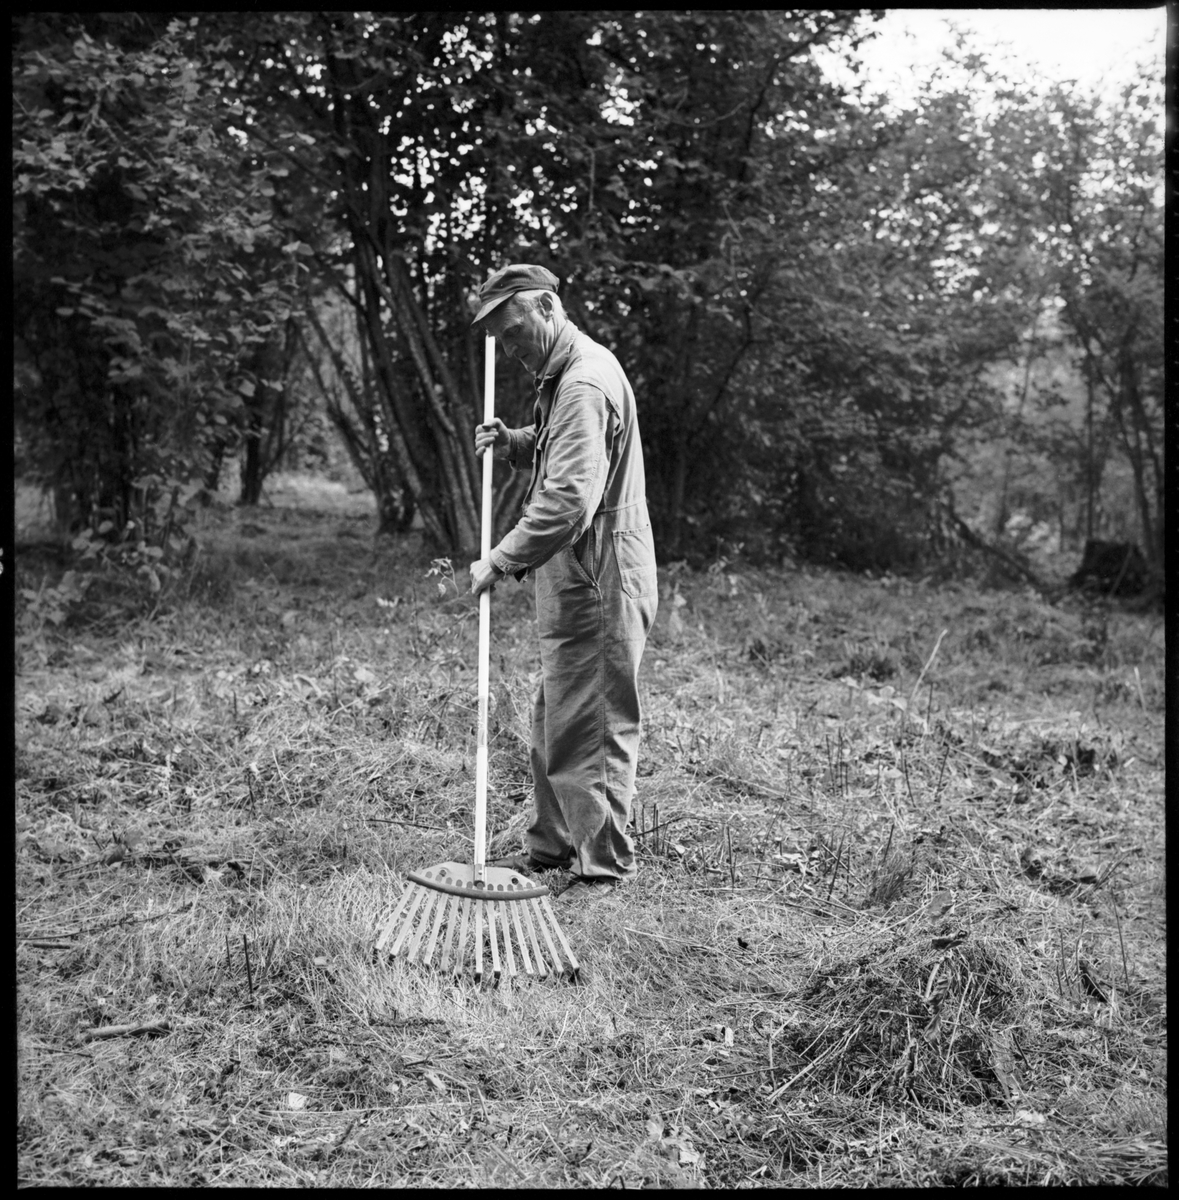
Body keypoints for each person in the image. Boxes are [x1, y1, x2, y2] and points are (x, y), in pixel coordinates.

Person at [468, 263, 658, 903]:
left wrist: (500, 559)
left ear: (547, 308)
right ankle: (552, 848)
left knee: (592, 723)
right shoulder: (566, 374)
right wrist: (517, 442)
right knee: (557, 715)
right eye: (500, 339)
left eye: (513, 332)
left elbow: (570, 500)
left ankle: (602, 867)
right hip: (579, 573)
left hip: (598, 574)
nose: (510, 349)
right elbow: (568, 451)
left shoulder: (582, 383)